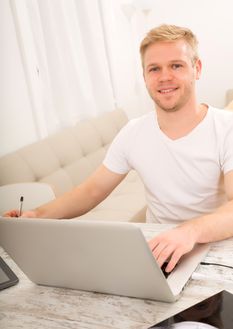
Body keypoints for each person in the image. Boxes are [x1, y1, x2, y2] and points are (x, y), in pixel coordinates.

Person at [5, 24, 233, 273]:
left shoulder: (226, 128)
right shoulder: (133, 132)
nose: (164, 77)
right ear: (145, 76)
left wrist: (189, 231)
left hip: (216, 248)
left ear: (196, 69)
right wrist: (36, 216)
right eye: (154, 68)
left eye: (176, 65)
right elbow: (92, 191)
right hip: (158, 253)